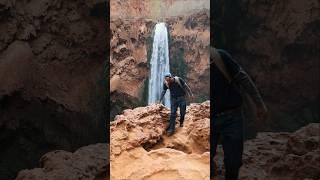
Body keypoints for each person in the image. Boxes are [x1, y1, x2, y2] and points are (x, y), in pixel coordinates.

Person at [211, 47, 268, 180]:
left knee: (233, 162)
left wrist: (259, 104)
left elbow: (244, 79)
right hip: (208, 120)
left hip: (232, 117)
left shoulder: (220, 57)